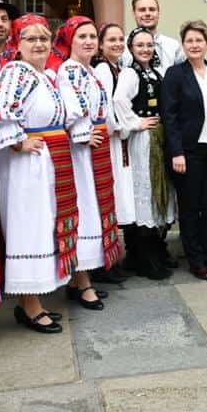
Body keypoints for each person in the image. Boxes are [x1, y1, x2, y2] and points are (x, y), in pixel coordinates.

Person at [0, 13, 75, 333]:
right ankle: (28, 304)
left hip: (45, 161)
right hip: (26, 166)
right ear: (17, 44)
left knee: (41, 224)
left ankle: (34, 298)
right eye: (30, 38)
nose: (39, 44)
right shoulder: (17, 71)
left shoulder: (44, 76)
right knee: (28, 225)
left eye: (43, 38)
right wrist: (17, 142)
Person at [54, 16, 125, 309]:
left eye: (91, 37)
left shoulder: (90, 72)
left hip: (95, 148)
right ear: (70, 41)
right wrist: (85, 134)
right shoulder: (68, 71)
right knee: (84, 211)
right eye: (81, 36)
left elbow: (103, 110)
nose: (88, 42)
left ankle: (79, 280)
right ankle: (82, 282)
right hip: (80, 153)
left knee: (94, 209)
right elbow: (71, 110)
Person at [161, 20, 207, 280]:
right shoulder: (175, 74)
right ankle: (194, 258)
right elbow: (169, 116)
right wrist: (176, 151)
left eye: (198, 40)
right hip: (188, 152)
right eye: (189, 41)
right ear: (184, 44)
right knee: (190, 207)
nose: (194, 45)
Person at [114, 28, 175, 280]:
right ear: (131, 48)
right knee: (145, 189)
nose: (145, 49)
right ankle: (144, 256)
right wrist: (136, 123)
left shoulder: (155, 71)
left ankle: (155, 249)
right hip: (142, 141)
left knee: (158, 188)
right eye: (140, 45)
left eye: (149, 45)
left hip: (157, 138)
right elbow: (119, 101)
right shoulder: (130, 73)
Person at [90, 23, 135, 283]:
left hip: (117, 142)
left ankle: (111, 258)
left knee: (115, 200)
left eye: (120, 39)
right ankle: (103, 263)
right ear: (101, 44)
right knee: (108, 199)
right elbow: (105, 107)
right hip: (110, 141)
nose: (117, 44)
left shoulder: (116, 67)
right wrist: (122, 127)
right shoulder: (104, 69)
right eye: (111, 40)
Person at [119, 0, 185, 72]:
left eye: (152, 9)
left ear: (158, 13)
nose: (147, 13)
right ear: (133, 13)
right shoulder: (123, 46)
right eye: (142, 10)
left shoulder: (173, 46)